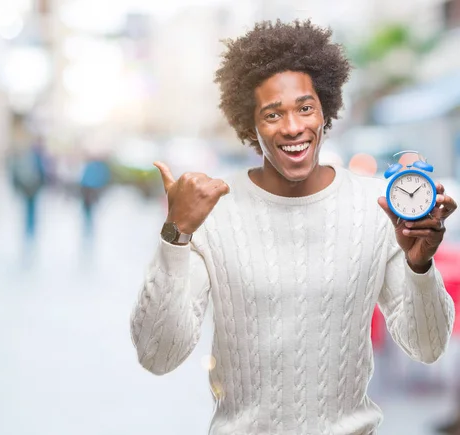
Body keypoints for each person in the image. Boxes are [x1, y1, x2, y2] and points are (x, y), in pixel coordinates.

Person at [129, 20, 458, 435]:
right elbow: (158, 355)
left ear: (326, 110)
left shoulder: (377, 208)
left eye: (305, 107)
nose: (292, 127)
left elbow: (427, 347)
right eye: (272, 113)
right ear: (250, 124)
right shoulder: (214, 213)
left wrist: (420, 267)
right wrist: (176, 235)